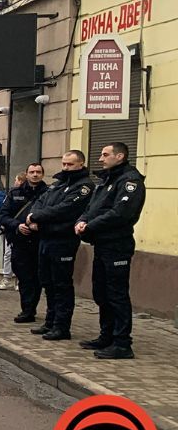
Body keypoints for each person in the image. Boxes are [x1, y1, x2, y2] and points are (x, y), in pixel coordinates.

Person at [76, 142, 145, 359]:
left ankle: (122, 343)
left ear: (120, 156)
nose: (100, 158)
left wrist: (90, 226)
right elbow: (92, 208)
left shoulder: (130, 181)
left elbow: (120, 213)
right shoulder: (107, 180)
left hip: (117, 245)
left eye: (105, 154)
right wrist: (82, 220)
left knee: (117, 295)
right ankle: (106, 335)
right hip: (102, 244)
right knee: (101, 292)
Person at [24, 150, 94, 341]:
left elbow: (65, 210)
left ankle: (62, 327)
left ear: (81, 164)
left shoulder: (84, 187)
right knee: (47, 282)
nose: (65, 168)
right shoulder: (58, 184)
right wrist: (32, 215)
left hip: (63, 240)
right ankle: (50, 322)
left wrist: (37, 217)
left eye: (69, 164)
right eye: (63, 164)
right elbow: (41, 202)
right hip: (46, 239)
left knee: (61, 284)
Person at [0, 164, 47, 323]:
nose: (35, 175)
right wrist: (16, 226)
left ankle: (31, 308)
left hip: (40, 241)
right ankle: (27, 309)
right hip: (20, 241)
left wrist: (40, 225)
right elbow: (4, 215)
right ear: (26, 174)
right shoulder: (15, 193)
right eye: (32, 172)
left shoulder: (49, 193)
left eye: (38, 172)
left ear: (42, 175)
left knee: (37, 278)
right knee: (24, 277)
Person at [0, 172, 28, 291]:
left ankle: (19, 279)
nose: (15, 182)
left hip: (25, 229)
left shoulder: (31, 194)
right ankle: (7, 277)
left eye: (16, 180)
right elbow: (4, 212)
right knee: (8, 254)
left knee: (22, 256)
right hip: (11, 228)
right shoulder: (12, 194)